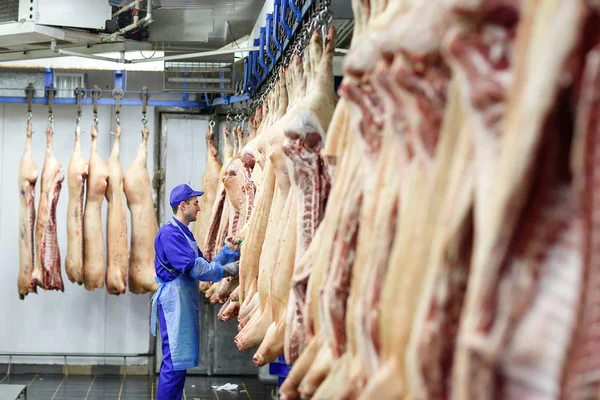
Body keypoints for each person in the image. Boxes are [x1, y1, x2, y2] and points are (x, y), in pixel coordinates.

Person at [151, 184, 240, 400]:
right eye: (195, 203)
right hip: (174, 301)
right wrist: (229, 269)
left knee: (179, 362)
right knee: (173, 362)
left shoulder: (184, 234)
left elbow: (205, 264)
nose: (199, 208)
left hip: (183, 299)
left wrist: (227, 252)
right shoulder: (170, 234)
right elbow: (197, 269)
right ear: (183, 206)